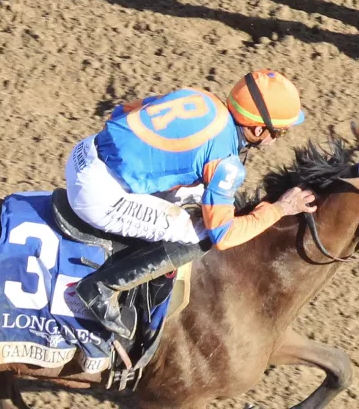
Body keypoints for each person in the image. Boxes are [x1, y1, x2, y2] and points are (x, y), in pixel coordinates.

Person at [65, 70, 317, 338]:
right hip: (96, 195)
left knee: (193, 191)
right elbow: (223, 235)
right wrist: (279, 209)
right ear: (258, 129)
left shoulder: (199, 97)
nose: (276, 139)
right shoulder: (226, 163)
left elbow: (123, 111)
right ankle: (101, 289)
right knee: (198, 235)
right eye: (279, 132)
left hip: (84, 151)